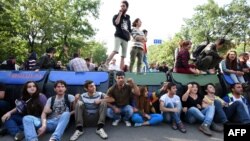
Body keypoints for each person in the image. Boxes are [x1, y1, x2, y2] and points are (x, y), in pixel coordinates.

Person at [105, 0, 132, 70]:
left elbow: (129, 29)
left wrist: (130, 36)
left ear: (127, 8)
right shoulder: (116, 16)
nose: (122, 7)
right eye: (121, 6)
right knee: (115, 50)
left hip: (126, 38)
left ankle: (121, 70)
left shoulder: (128, 19)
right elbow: (116, 23)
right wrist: (120, 14)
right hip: (118, 36)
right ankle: (105, 64)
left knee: (123, 56)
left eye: (123, 6)